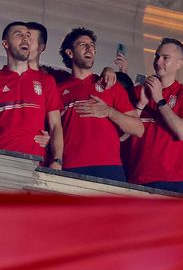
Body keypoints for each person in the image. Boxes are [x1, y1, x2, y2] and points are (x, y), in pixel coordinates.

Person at [57, 27, 143, 181]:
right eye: (83, 44)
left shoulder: (109, 85)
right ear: (70, 53)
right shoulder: (58, 90)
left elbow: (138, 129)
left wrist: (108, 111)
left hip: (109, 166)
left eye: (92, 45)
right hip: (71, 166)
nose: (89, 48)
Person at [0, 21, 63, 168]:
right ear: (5, 43)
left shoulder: (46, 81)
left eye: (28, 35)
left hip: (37, 164)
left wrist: (57, 161)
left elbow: (56, 126)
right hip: (0, 163)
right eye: (19, 35)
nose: (25, 39)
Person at [123, 38, 183, 194]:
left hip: (172, 181)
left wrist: (159, 99)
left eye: (166, 58)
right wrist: (141, 104)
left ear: (179, 63)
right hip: (136, 178)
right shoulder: (137, 92)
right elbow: (122, 135)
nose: (158, 61)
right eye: (156, 56)